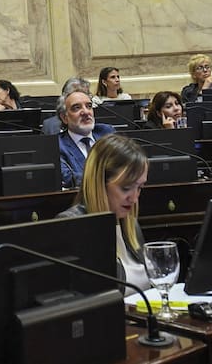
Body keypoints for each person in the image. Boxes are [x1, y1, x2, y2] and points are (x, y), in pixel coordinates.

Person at [58, 134, 151, 293]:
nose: (134, 198)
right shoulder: (73, 226)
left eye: (140, 188)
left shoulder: (129, 223)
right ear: (99, 183)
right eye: (126, 188)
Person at [57, 90, 116, 188]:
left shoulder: (107, 133)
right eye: (76, 108)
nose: (86, 112)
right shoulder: (58, 145)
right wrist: (111, 177)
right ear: (64, 118)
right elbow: (69, 178)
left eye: (89, 106)